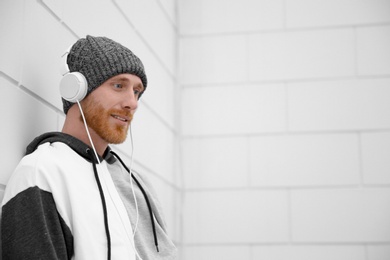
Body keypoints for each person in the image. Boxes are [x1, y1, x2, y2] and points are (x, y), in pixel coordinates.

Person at [1, 35, 177, 260]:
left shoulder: (136, 185)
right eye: (118, 85)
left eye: (136, 91)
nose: (132, 102)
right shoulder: (41, 173)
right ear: (76, 89)